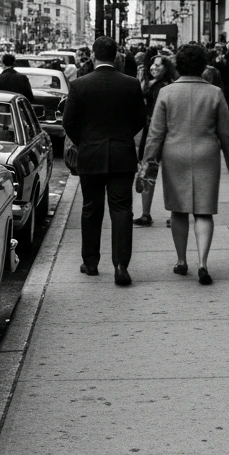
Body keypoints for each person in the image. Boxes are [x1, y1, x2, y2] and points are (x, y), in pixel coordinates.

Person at [142, 45, 229, 285]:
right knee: (204, 211)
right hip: (207, 154)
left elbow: (156, 133)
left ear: (178, 66)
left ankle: (181, 260)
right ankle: (203, 263)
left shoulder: (166, 93)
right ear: (202, 65)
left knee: (178, 210)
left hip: (175, 153)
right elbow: (226, 132)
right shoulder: (215, 93)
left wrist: (148, 163)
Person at [62, 36, 147, 287]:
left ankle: (91, 263)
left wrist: (84, 141)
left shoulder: (79, 85)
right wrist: (123, 138)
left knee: (91, 208)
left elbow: (69, 122)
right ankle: (121, 265)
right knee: (122, 210)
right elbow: (141, 119)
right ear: (117, 56)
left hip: (91, 155)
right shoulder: (131, 84)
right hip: (122, 154)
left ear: (93, 54)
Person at [133, 53, 177, 227]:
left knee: (168, 174)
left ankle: (174, 215)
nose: (154, 68)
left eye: (159, 65)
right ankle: (145, 214)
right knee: (147, 171)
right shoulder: (151, 84)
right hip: (150, 132)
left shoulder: (166, 87)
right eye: (152, 65)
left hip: (163, 132)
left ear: (166, 68)